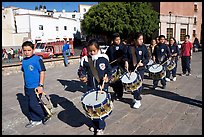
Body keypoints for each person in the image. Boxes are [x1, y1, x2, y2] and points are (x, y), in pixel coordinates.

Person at [78, 39, 112, 135]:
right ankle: (94, 124)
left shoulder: (104, 59)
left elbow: (109, 71)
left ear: (98, 49)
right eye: (90, 51)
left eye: (94, 51)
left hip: (101, 87)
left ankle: (100, 127)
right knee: (91, 108)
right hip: (90, 87)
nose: (92, 53)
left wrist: (108, 78)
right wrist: (82, 76)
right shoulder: (85, 60)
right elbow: (81, 70)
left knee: (99, 108)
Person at [21, 41, 49, 128]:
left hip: (36, 86)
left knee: (34, 104)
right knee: (30, 104)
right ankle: (35, 119)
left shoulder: (37, 60)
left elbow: (42, 72)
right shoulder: (24, 61)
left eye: (29, 50)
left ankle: (44, 115)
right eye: (24, 50)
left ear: (33, 50)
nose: (27, 52)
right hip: (27, 87)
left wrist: (40, 85)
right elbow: (24, 73)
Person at [126, 32, 149, 109]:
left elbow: (147, 58)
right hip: (132, 69)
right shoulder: (130, 47)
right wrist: (126, 62)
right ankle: (135, 97)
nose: (141, 41)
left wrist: (143, 63)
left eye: (142, 39)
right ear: (135, 40)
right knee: (132, 85)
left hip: (141, 69)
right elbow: (126, 56)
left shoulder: (144, 47)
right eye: (140, 39)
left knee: (138, 84)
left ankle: (138, 100)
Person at [105, 33, 128, 101]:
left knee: (119, 81)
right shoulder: (110, 48)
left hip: (121, 67)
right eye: (116, 40)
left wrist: (123, 59)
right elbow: (107, 56)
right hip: (113, 66)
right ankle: (116, 91)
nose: (118, 41)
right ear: (113, 40)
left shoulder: (123, 46)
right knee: (113, 81)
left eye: (119, 39)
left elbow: (126, 55)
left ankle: (120, 94)